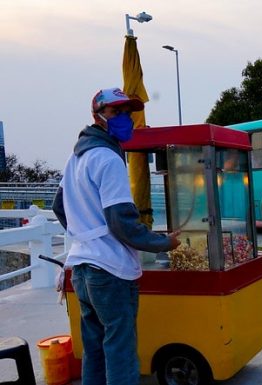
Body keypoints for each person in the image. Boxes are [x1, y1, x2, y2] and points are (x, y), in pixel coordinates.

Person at [52, 88, 181, 385]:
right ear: (97, 117)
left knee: (94, 349)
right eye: (116, 112)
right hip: (109, 272)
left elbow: (60, 206)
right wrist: (164, 243)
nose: (125, 118)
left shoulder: (76, 158)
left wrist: (85, 236)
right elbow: (122, 222)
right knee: (120, 349)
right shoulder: (109, 160)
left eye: (128, 112)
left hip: (82, 271)